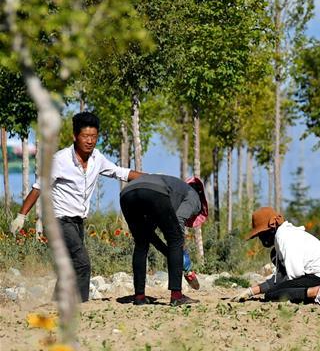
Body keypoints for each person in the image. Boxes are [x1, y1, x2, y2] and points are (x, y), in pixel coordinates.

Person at [10, 112, 141, 302]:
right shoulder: (60, 160)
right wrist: (21, 216)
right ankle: (81, 305)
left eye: (94, 137)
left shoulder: (97, 158)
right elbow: (38, 187)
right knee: (82, 264)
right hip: (57, 221)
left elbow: (120, 172)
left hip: (77, 221)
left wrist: (151, 177)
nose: (90, 141)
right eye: (85, 137)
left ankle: (57, 303)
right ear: (75, 136)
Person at [120, 174, 208, 306]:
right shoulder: (194, 196)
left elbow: (150, 235)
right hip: (154, 192)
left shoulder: (174, 190)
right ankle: (177, 296)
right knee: (176, 240)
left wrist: (169, 253)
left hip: (127, 193)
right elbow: (179, 218)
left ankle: (139, 296)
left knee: (141, 242)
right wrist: (180, 249)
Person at [232, 207, 320, 305]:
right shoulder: (283, 238)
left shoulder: (284, 237)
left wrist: (278, 291)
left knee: (273, 295)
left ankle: (318, 291)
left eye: (261, 233)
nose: (261, 238)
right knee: (274, 292)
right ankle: (319, 292)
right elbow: (279, 278)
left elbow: (294, 275)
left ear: (272, 227)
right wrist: (251, 291)